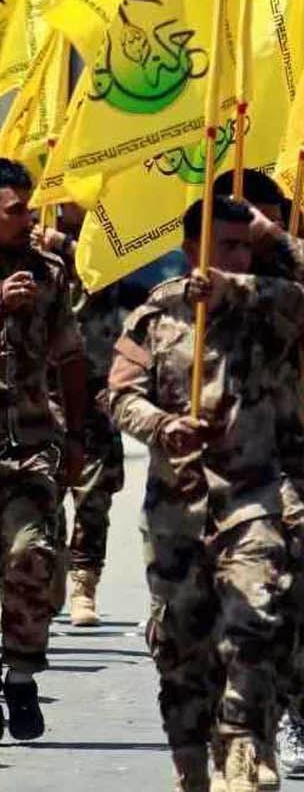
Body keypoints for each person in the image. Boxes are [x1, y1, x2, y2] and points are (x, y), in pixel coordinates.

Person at [109, 195, 304, 792]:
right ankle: (192, 759)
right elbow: (121, 394)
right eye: (226, 246)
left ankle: (245, 748)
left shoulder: (271, 306)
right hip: (178, 507)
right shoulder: (156, 314)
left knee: (253, 624)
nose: (239, 256)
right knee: (182, 647)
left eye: (245, 246)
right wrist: (162, 425)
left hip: (254, 497)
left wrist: (268, 241)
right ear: (192, 249)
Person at [0, 159, 86, 742]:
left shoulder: (47, 273)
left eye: (29, 208)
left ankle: (21, 673)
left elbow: (71, 357)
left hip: (30, 444)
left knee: (30, 555)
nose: (29, 220)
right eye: (16, 211)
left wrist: (77, 436)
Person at [32, 200, 128, 628]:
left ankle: (84, 584)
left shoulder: (107, 233)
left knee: (94, 494)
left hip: (95, 387)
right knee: (40, 489)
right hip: (42, 390)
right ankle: (45, 574)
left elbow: (105, 275)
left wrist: (67, 247)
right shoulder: (29, 239)